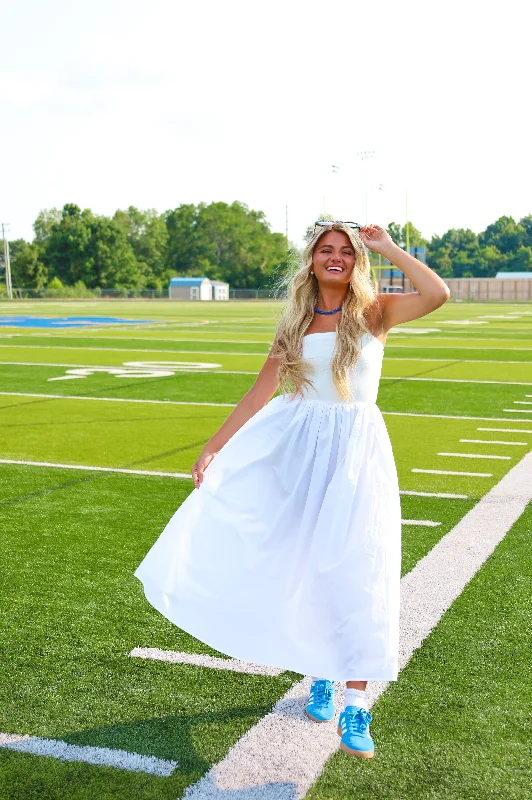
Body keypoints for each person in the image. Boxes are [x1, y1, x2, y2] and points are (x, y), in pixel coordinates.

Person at [134, 220, 450, 759]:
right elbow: (260, 393)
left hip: (355, 454)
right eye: (325, 250)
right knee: (303, 565)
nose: (336, 257)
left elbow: (437, 294)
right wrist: (214, 446)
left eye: (345, 251)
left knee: (357, 566)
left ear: (356, 261)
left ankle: (356, 705)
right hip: (297, 454)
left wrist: (388, 246)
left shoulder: (376, 313)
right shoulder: (296, 324)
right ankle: (320, 672)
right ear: (310, 262)